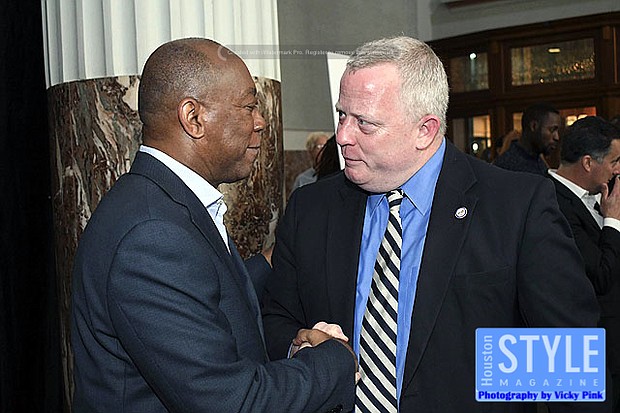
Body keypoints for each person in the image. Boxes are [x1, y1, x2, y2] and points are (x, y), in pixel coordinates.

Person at [262, 36, 608, 412]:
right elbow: (275, 318)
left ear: (425, 130)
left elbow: (567, 364)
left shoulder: (516, 207)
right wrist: (301, 347)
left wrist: (470, 379)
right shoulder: (310, 209)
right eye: (342, 115)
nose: (342, 136)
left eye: (364, 123)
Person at [70, 37, 357, 413]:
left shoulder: (162, 202)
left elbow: (208, 295)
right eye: (249, 107)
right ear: (193, 118)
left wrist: (276, 268)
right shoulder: (153, 233)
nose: (260, 122)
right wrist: (333, 359)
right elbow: (232, 402)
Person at [548, 116, 620, 411]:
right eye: (614, 161)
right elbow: (600, 275)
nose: (618, 169)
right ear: (588, 163)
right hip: (584, 350)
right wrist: (612, 220)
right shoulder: (551, 202)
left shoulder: (597, 195)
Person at [494, 103, 561, 176]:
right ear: (534, 126)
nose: (556, 137)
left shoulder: (537, 159)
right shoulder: (508, 165)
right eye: (552, 130)